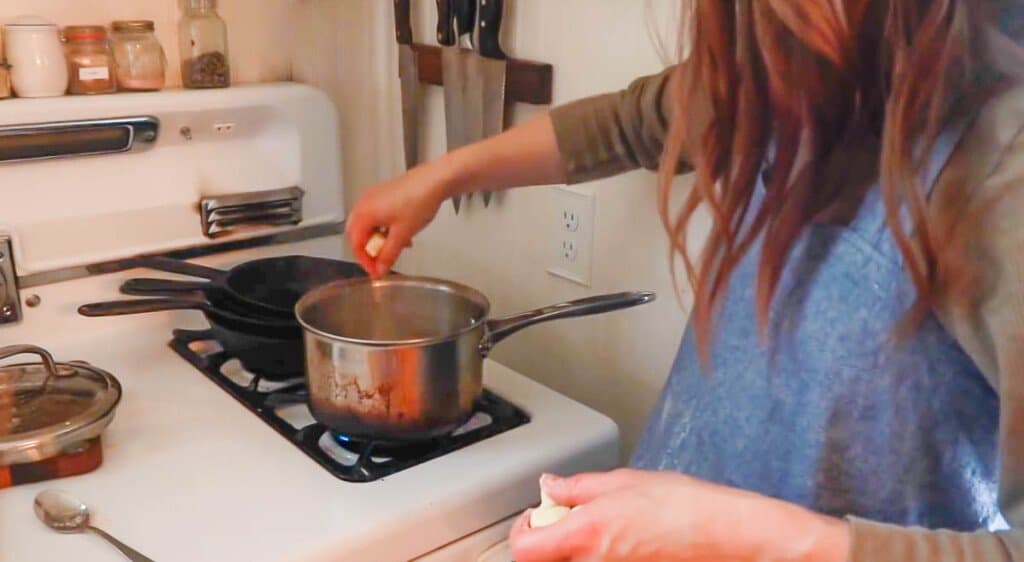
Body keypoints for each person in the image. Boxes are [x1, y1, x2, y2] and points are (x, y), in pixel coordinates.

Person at [347, 1, 1024, 560]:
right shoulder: (801, 61)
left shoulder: (1002, 162)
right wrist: (441, 176)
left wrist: (737, 536)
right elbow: (631, 122)